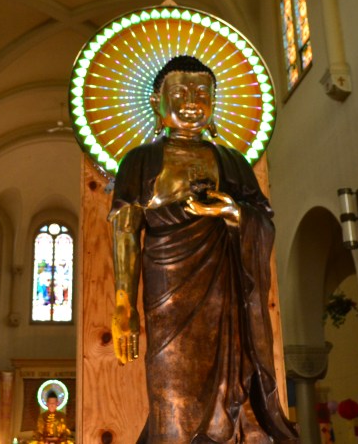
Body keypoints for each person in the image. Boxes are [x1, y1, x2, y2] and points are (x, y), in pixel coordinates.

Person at [109, 55, 298, 443]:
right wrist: (124, 303)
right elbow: (126, 228)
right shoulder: (140, 161)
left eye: (202, 92)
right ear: (157, 102)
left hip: (225, 290)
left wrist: (231, 212)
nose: (192, 102)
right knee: (171, 391)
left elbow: (262, 220)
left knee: (232, 390)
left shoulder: (231, 161)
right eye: (180, 93)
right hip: (168, 291)